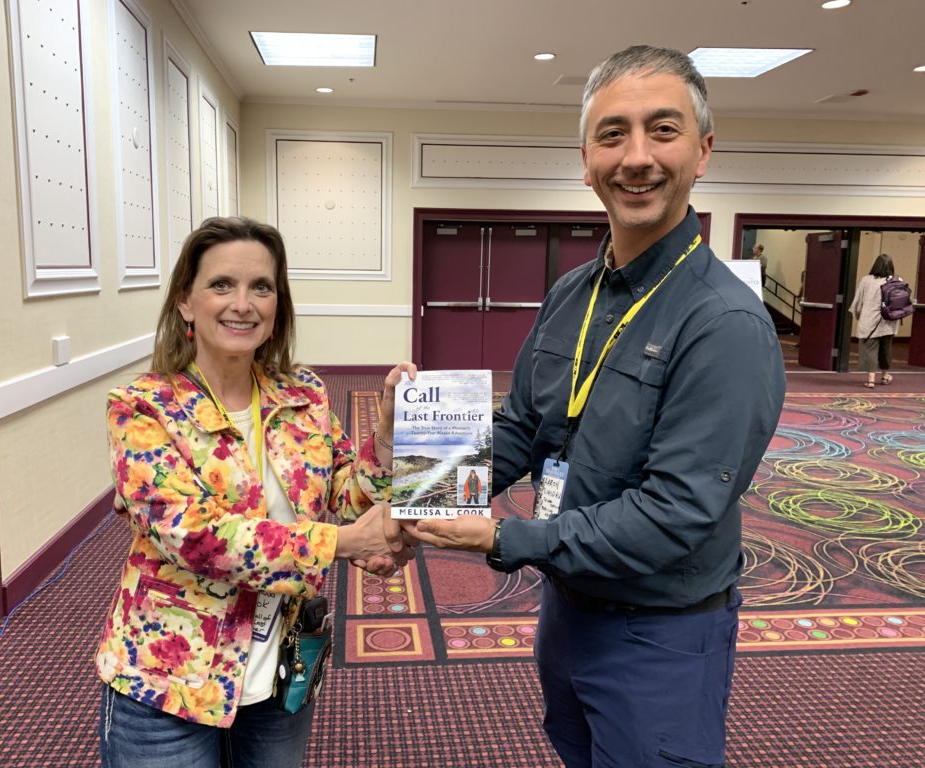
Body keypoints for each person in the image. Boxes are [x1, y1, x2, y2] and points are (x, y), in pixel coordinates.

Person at [402, 45, 786, 768]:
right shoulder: (572, 292)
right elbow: (525, 427)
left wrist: (500, 540)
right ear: (586, 159)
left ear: (702, 151)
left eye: (662, 130)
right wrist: (427, 461)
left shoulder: (722, 324)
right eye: (613, 134)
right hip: (569, 606)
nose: (636, 156)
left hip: (660, 631)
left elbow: (673, 515)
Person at [95, 216, 416, 768]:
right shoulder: (142, 407)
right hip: (169, 684)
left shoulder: (302, 394)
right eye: (222, 284)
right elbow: (197, 538)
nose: (242, 303)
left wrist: (386, 436)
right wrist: (344, 544)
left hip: (278, 676)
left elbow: (344, 498)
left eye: (261, 287)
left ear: (277, 307)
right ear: (185, 304)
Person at [849, 252, 898, 388]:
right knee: (885, 350)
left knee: (869, 349)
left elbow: (858, 302)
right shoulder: (896, 280)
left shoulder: (866, 280)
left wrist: (858, 315)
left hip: (869, 320)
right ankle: (884, 376)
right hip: (888, 322)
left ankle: (871, 379)